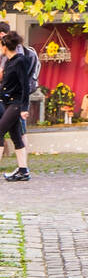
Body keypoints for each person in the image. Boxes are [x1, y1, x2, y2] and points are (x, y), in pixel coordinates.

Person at [0, 31, 31, 181]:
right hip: (8, 103)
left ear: (5, 46)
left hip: (16, 103)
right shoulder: (9, 62)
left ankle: (23, 171)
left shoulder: (20, 61)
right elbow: (7, 85)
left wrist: (25, 108)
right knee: (15, 136)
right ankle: (23, 171)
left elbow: (25, 85)